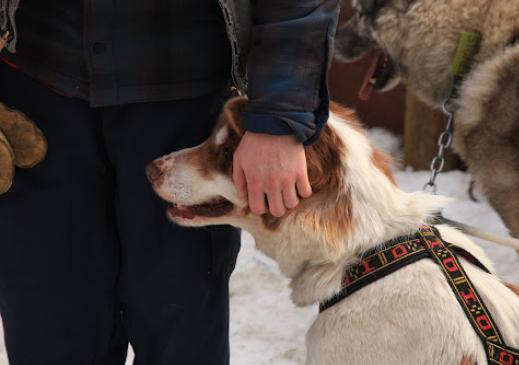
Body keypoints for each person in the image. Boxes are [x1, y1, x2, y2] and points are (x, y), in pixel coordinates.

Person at [0, 0, 340, 364]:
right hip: (37, 93)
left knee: (181, 330)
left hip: (186, 110)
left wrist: (281, 115)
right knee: (50, 329)